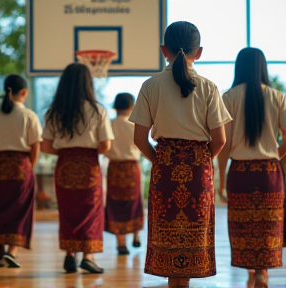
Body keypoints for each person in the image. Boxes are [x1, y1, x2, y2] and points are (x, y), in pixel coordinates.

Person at [129, 21, 232, 288]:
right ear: (198, 53)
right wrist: (200, 161)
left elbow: (140, 139)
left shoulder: (150, 85)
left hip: (165, 169)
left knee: (168, 234)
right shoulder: (209, 87)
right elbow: (220, 139)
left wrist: (162, 161)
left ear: (164, 49)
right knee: (194, 234)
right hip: (199, 171)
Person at [218, 47, 286, 288]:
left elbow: (223, 146)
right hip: (269, 172)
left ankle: (251, 268)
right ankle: (261, 272)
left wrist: (221, 180)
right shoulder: (277, 97)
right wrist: (273, 158)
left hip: (240, 172)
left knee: (244, 223)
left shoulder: (229, 97)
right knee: (268, 224)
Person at [41, 63, 114, 274]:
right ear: (87, 83)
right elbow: (106, 145)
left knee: (67, 211)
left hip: (65, 165)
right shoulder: (98, 110)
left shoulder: (54, 111)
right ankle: (88, 256)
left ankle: (69, 255)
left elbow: (46, 145)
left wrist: (66, 155)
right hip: (89, 165)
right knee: (90, 211)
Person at [0, 75, 42, 268]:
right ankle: (12, 252)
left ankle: (0, 253)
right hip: (21, 167)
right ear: (24, 92)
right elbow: (35, 147)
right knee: (20, 209)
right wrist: (29, 166)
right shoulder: (29, 116)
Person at [104, 93, 144, 255]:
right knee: (134, 202)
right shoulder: (134, 126)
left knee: (116, 204)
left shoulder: (108, 125)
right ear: (131, 107)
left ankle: (121, 243)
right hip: (131, 168)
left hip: (114, 167)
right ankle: (135, 235)